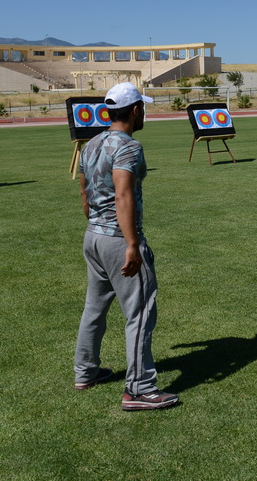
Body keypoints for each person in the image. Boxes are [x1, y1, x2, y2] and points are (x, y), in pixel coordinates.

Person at [74, 82, 179, 411]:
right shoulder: (129, 147)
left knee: (94, 308)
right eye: (143, 108)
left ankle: (85, 372)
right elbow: (123, 195)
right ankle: (139, 389)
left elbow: (84, 193)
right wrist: (132, 243)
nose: (144, 113)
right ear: (135, 110)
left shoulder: (90, 144)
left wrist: (98, 226)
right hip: (118, 239)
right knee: (141, 312)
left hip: (94, 236)